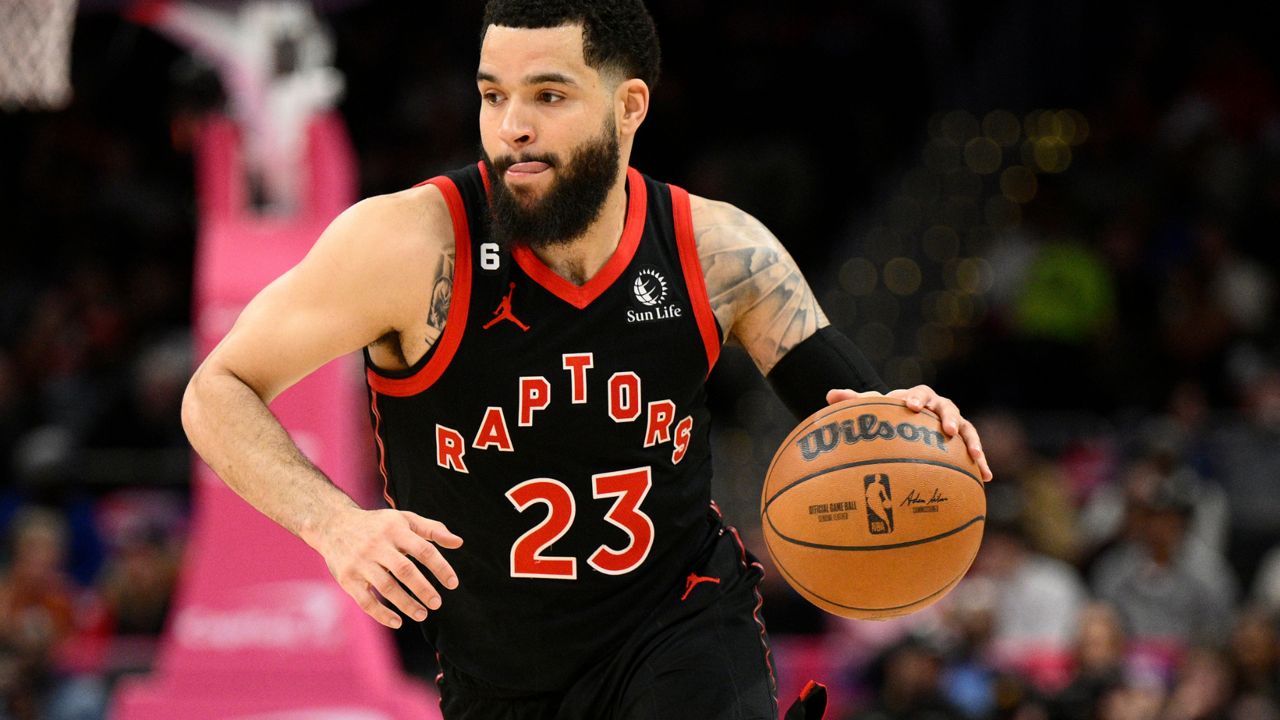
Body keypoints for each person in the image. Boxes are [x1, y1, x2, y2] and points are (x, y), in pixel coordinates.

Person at [179, 2, 992, 718]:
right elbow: (217, 391)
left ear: (628, 105)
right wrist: (335, 525)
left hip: (680, 627)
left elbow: (847, 408)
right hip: (497, 676)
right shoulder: (408, 246)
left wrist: (906, 424)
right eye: (493, 95)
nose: (512, 126)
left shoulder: (717, 250)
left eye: (549, 95)